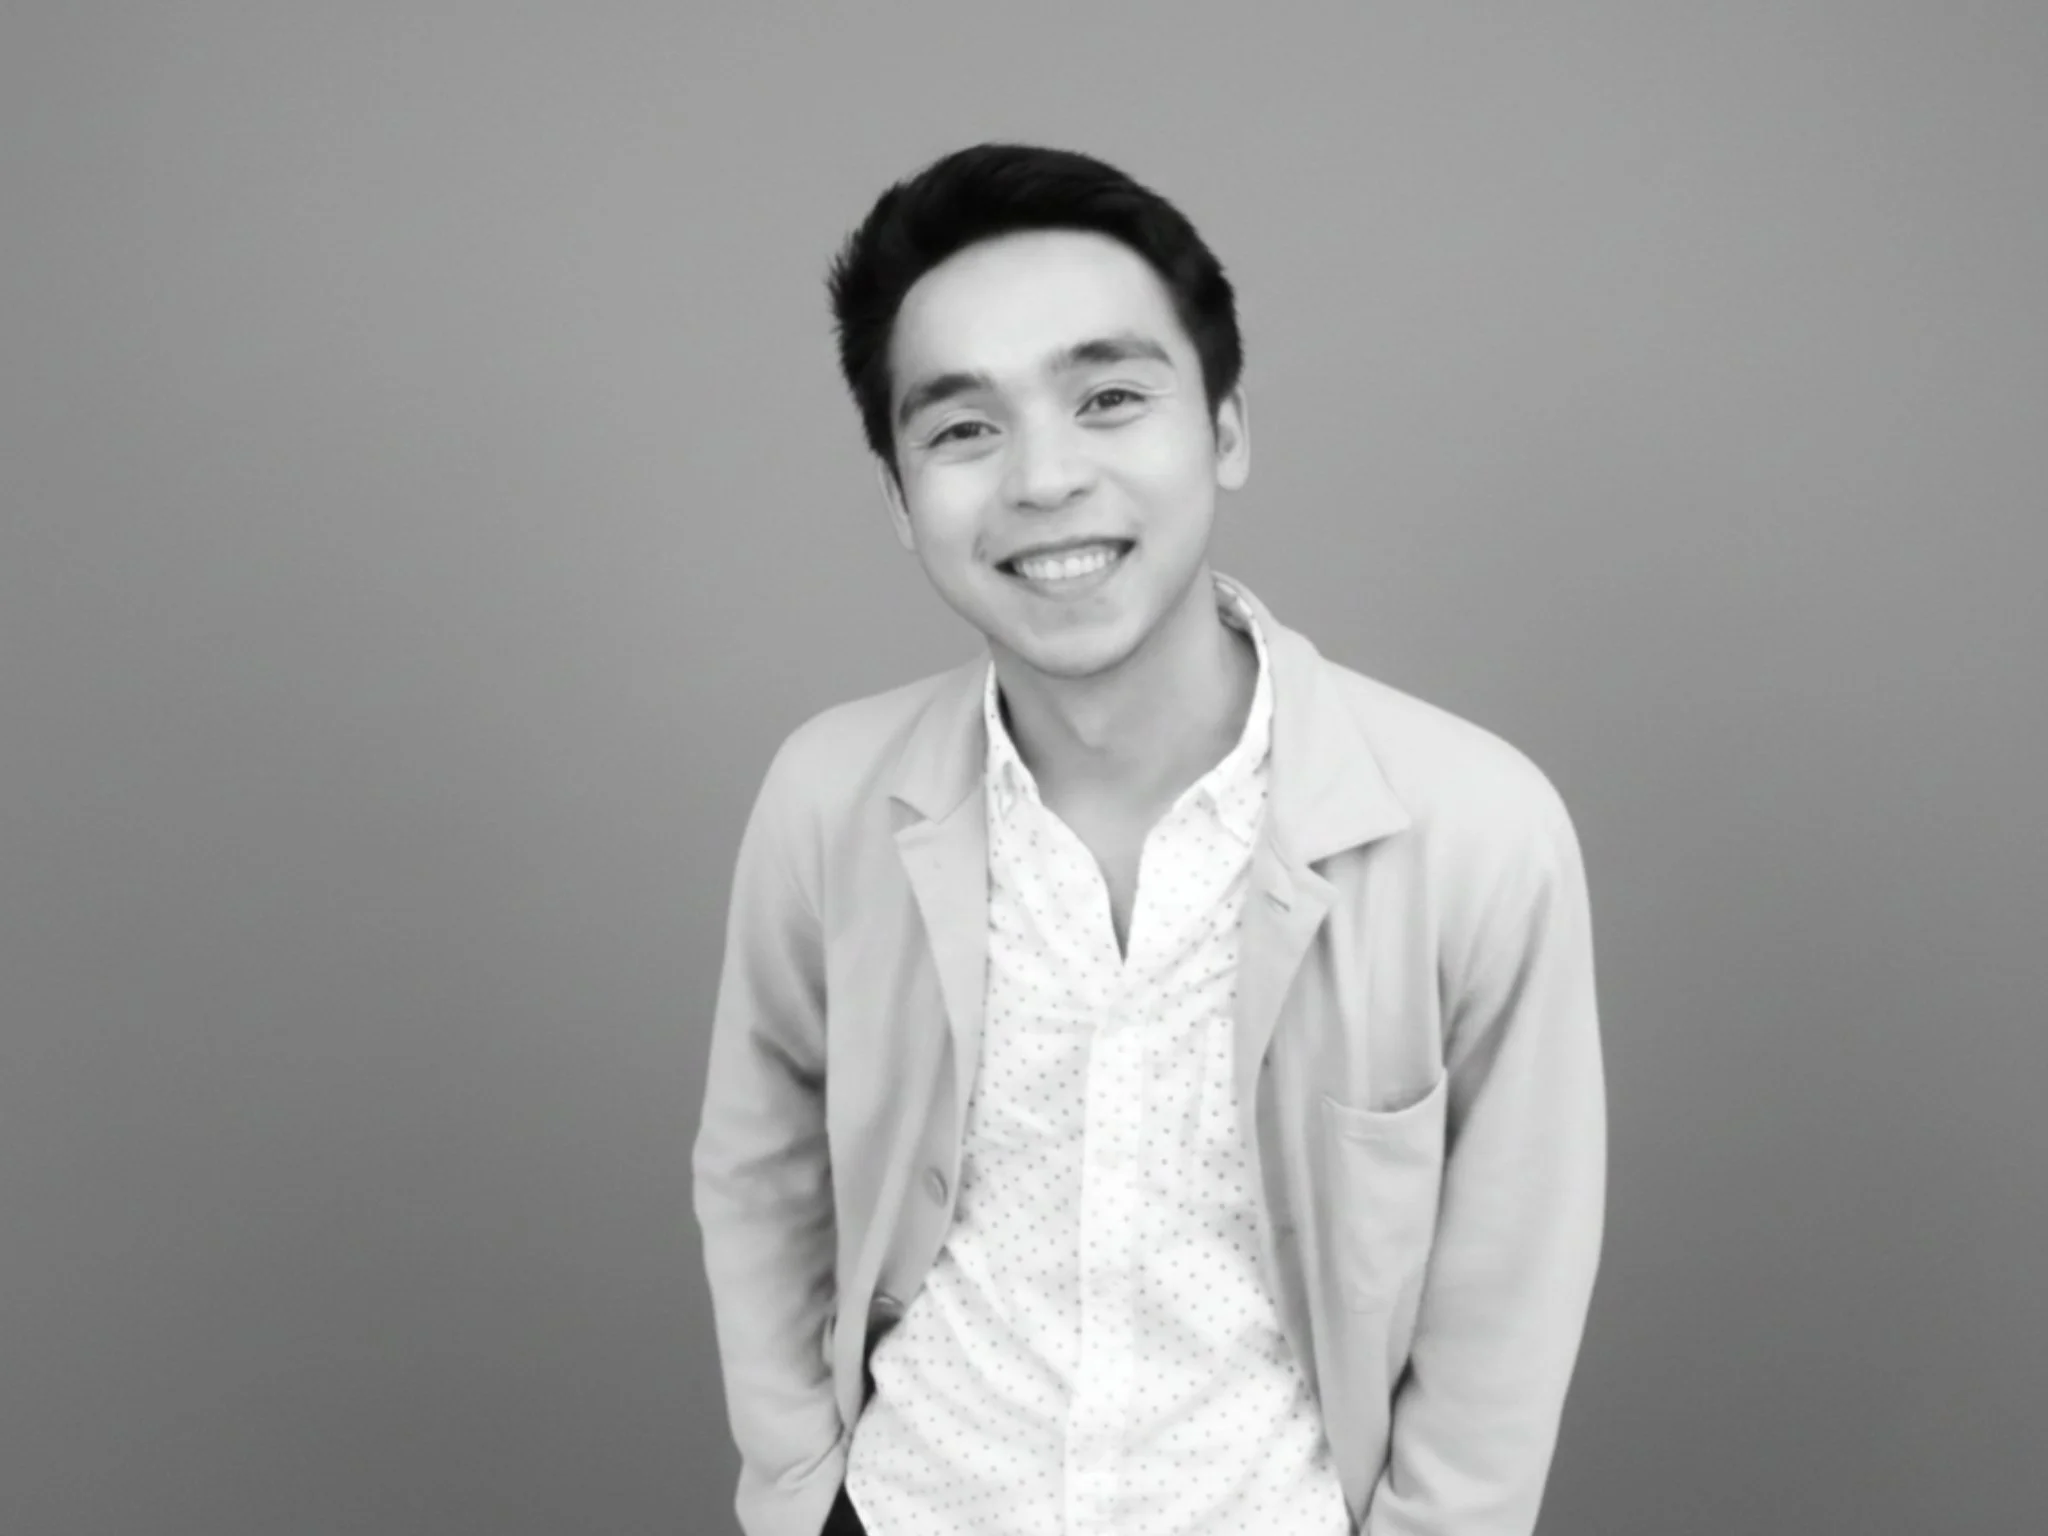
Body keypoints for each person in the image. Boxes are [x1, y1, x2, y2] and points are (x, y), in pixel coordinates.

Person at [693, 142, 1605, 1536]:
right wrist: (794, 1494)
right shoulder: (829, 796)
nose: (1045, 478)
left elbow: (1510, 1285)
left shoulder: (1475, 827)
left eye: (1109, 397)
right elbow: (759, 1170)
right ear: (898, 498)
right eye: (961, 428)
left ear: (1227, 427)